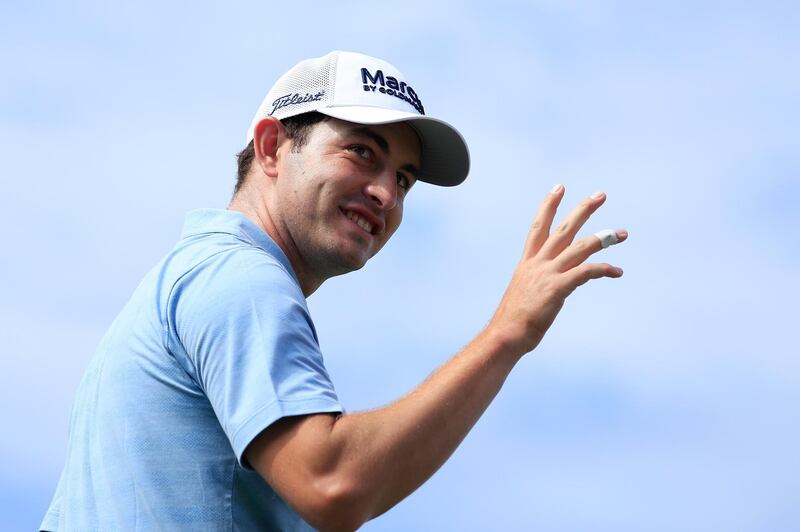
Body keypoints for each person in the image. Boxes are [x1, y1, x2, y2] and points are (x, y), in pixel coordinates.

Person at [41, 51, 627, 531]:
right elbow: (333, 484)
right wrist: (509, 332)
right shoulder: (240, 279)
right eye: (361, 152)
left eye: (402, 177)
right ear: (272, 147)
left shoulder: (188, 277)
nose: (386, 195)